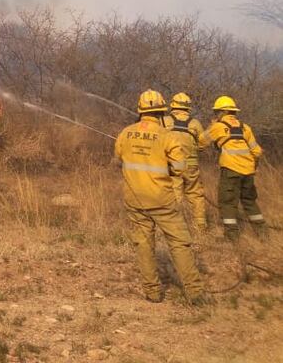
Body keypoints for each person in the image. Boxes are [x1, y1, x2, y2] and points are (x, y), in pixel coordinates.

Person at [114, 89, 205, 304]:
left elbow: (119, 159)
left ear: (141, 111)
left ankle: (153, 293)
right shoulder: (168, 136)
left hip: (135, 199)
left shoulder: (125, 133)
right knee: (179, 243)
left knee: (144, 245)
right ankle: (195, 294)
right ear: (163, 113)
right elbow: (181, 169)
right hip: (162, 200)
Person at [205, 96, 266, 240]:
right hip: (248, 172)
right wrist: (252, 166)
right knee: (249, 202)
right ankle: (263, 233)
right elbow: (257, 151)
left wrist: (210, 127)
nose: (216, 115)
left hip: (231, 171)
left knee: (227, 202)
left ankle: (232, 237)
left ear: (221, 112)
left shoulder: (218, 126)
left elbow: (201, 142)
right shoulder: (245, 127)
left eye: (217, 112)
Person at [164, 92, 208, 232]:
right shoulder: (195, 123)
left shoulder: (165, 121)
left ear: (173, 105)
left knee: (174, 194)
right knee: (195, 194)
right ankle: (200, 227)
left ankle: (174, 227)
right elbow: (204, 143)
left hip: (173, 165)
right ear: (188, 107)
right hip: (192, 166)